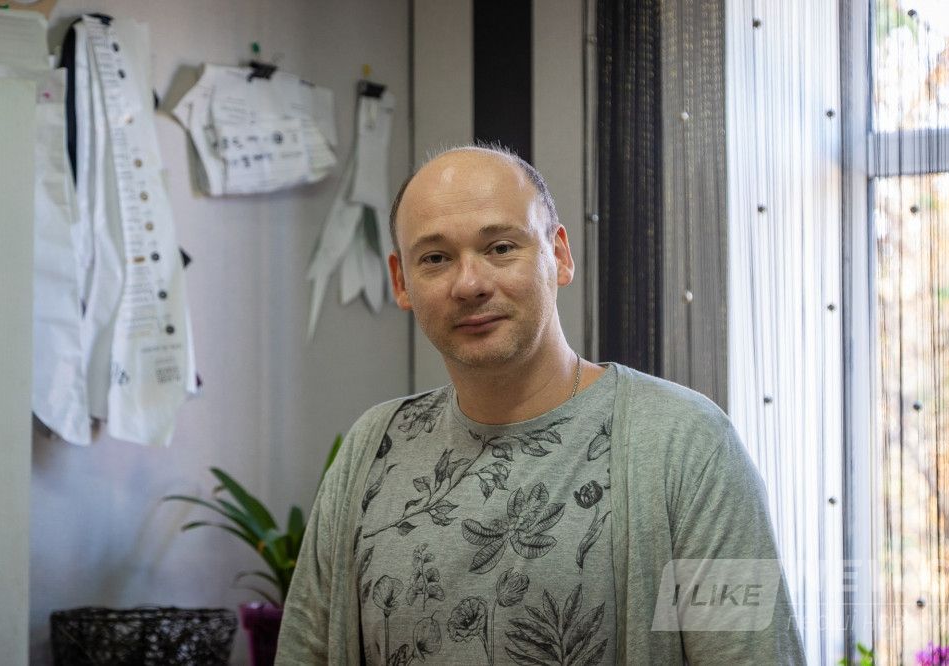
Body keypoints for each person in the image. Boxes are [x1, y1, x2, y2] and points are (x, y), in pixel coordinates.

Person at [276, 146, 806, 665]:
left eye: (501, 247)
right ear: (402, 282)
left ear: (560, 255)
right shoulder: (373, 447)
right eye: (436, 258)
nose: (470, 283)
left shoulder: (687, 444)